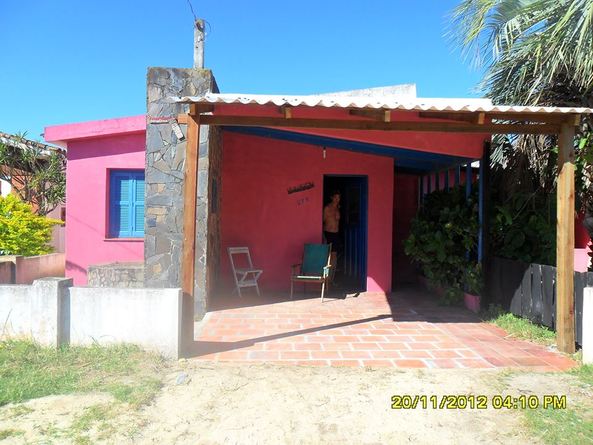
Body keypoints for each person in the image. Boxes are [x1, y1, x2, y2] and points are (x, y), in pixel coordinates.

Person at [323, 190, 342, 280]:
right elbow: (322, 221)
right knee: (328, 256)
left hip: (336, 234)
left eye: (339, 198)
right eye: (336, 197)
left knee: (334, 257)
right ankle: (326, 277)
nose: (338, 199)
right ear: (332, 198)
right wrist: (323, 236)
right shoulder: (327, 208)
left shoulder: (338, 208)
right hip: (328, 233)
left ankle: (332, 277)